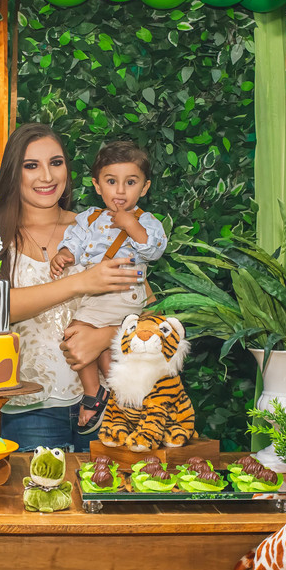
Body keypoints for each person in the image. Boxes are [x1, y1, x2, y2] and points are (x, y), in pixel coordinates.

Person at [0, 123, 143, 452]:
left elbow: (147, 306)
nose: (47, 176)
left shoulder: (100, 227)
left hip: (110, 406)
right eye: (31, 165)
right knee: (36, 486)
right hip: (29, 409)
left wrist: (107, 336)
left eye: (56, 162)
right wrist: (80, 282)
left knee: (108, 485)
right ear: (13, 173)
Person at [49, 140, 168, 433]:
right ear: (97, 185)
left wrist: (131, 225)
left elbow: (153, 250)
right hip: (95, 293)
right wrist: (63, 254)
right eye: (111, 182)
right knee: (95, 344)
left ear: (144, 187)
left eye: (131, 182)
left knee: (76, 334)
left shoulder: (146, 220)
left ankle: (95, 394)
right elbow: (74, 243)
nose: (120, 191)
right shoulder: (90, 218)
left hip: (123, 290)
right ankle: (118, 398)